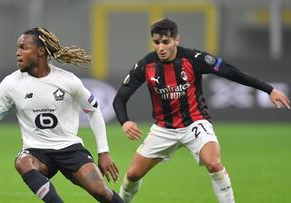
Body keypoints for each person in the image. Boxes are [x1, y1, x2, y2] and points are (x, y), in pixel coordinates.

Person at [112, 18, 290, 203]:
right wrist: (125, 121)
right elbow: (120, 98)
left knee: (213, 163)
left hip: (195, 123)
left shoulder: (193, 59)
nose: (161, 47)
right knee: (133, 174)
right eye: (157, 42)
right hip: (164, 129)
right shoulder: (145, 65)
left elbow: (230, 71)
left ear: (176, 40)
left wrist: (269, 89)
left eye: (166, 42)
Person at [0, 27, 124, 203]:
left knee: (101, 192)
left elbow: (94, 110)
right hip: (37, 151)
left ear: (41, 51)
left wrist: (103, 152)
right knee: (22, 161)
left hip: (69, 148)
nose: (17, 53)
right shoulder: (10, 84)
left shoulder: (68, 81)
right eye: (18, 48)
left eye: (23, 47)